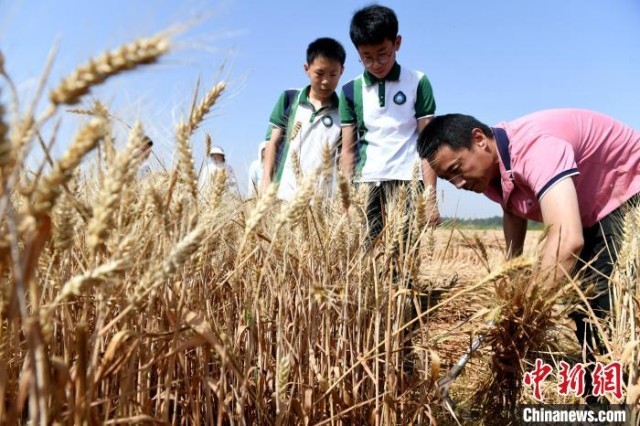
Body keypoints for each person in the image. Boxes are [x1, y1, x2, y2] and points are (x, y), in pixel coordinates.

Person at [417, 109, 640, 401]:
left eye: (457, 169)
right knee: (581, 306)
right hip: (588, 207)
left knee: (606, 304)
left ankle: (620, 400)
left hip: (625, 189)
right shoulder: (488, 168)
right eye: (449, 179)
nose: (458, 184)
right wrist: (511, 277)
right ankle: (597, 398)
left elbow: (567, 241)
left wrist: (525, 311)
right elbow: (512, 206)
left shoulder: (537, 149)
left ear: (479, 139)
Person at [339, 4, 439, 242]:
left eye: (383, 53)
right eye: (367, 58)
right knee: (368, 255)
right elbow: (347, 149)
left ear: (397, 43)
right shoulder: (349, 90)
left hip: (407, 180)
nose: (376, 63)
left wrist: (431, 196)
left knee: (404, 258)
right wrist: (346, 200)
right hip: (366, 182)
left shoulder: (417, 81)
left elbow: (429, 142)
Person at [261, 37, 345, 201]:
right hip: (284, 195)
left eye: (333, 74)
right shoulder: (289, 99)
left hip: (321, 202)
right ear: (306, 69)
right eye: (319, 74)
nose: (326, 81)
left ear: (342, 70)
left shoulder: (344, 111)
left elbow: (343, 158)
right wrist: (266, 182)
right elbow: (272, 142)